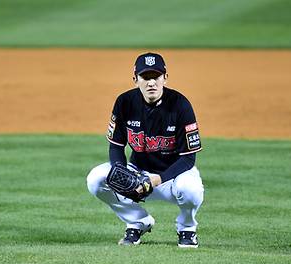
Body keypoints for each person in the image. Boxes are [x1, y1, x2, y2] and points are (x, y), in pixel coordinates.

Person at [86, 52, 204, 248]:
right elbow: (116, 146)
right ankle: (137, 221)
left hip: (173, 176)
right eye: (145, 77)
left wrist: (158, 179)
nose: (151, 83)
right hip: (137, 173)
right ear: (135, 80)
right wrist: (121, 172)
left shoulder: (180, 104)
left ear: (165, 78)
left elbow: (188, 158)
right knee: (96, 179)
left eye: (156, 77)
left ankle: (187, 228)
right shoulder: (124, 102)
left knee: (191, 190)